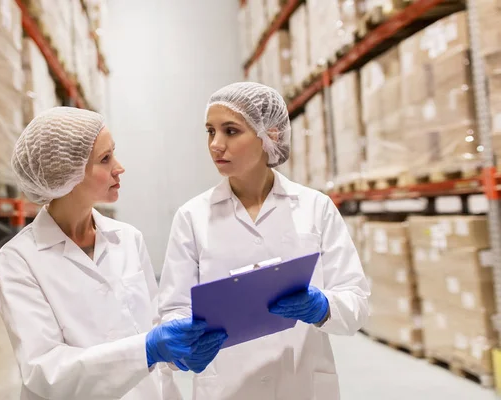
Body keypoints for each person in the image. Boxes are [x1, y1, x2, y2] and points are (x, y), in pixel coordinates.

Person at [0, 107, 227, 400]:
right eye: (105, 159)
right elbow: (46, 371)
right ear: (67, 173)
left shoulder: (127, 239)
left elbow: (152, 326)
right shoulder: (18, 261)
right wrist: (148, 349)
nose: (119, 167)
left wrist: (178, 351)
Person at [158, 83, 370, 400]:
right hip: (227, 387)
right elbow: (173, 309)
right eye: (210, 131)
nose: (216, 144)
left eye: (231, 131)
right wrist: (185, 341)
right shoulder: (192, 216)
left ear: (269, 135)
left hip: (301, 383)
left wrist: (323, 307)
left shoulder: (315, 207)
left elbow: (356, 301)